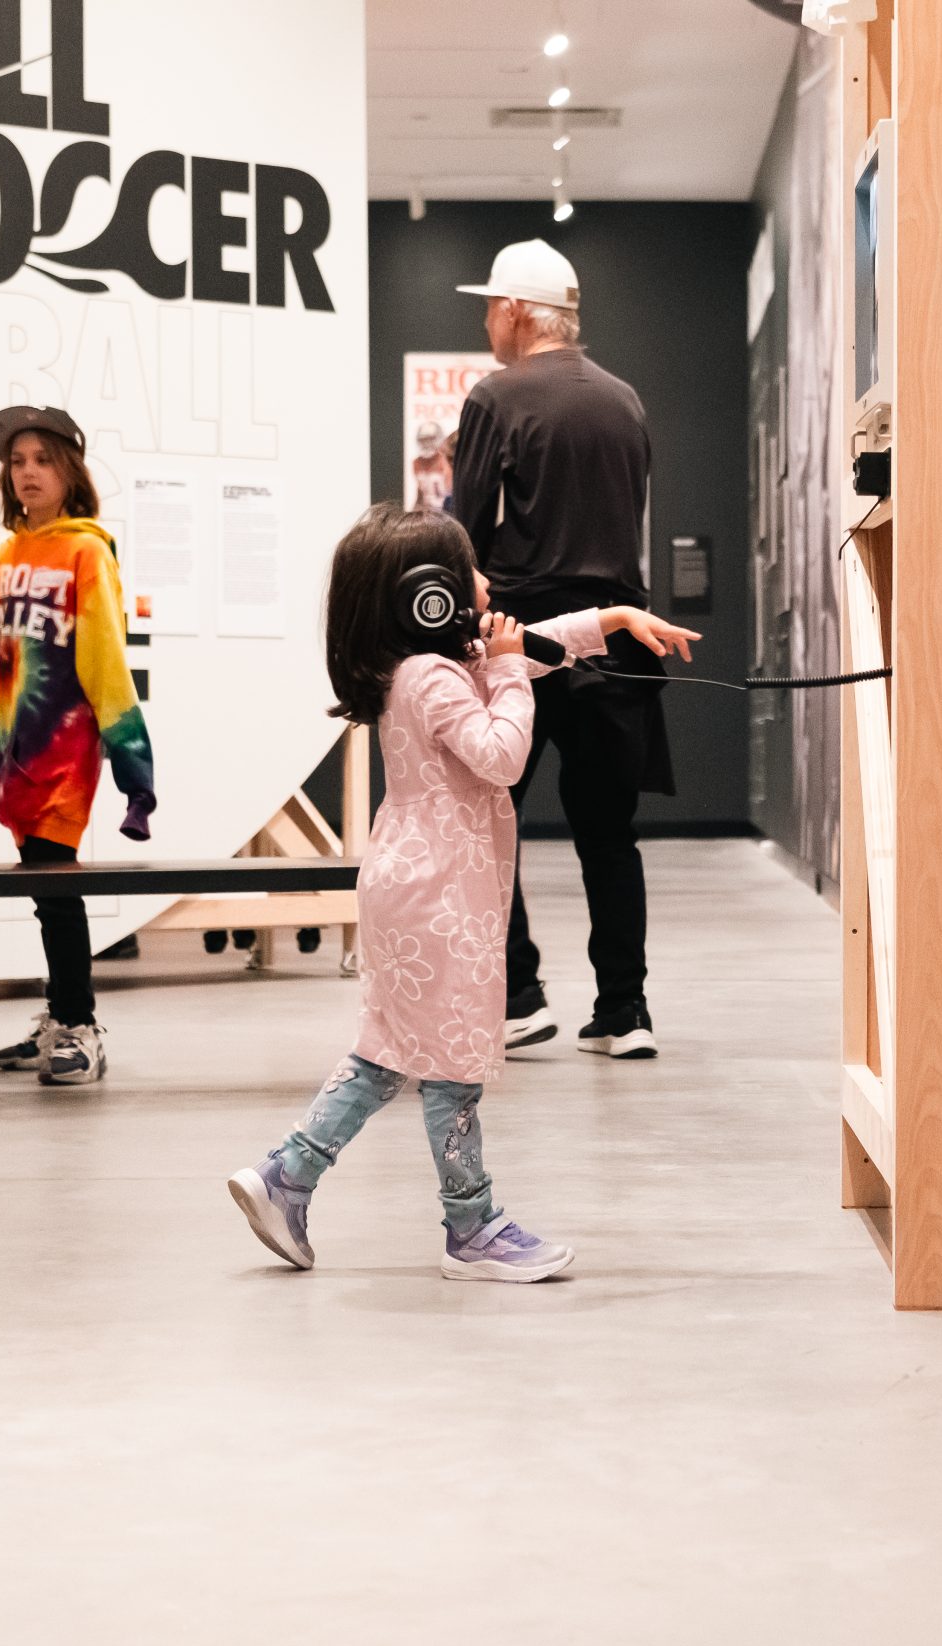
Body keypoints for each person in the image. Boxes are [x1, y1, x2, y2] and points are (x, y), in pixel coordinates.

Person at [225, 505, 695, 1282]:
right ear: (428, 594)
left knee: (392, 1051)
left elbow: (537, 648)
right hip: (441, 894)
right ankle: (470, 1226)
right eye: (470, 570)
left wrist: (609, 619)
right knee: (452, 1062)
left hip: (419, 885)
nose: (487, 581)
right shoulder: (438, 677)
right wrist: (508, 668)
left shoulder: (424, 668)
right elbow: (503, 754)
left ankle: (287, 1176)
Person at [451, 238, 670, 1060]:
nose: (486, 323)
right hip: (620, 641)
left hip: (524, 640)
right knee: (610, 832)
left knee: (486, 817)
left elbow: (463, 537)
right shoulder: (626, 399)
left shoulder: (496, 397)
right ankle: (625, 1010)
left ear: (513, 311)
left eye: (488, 307)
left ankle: (518, 993)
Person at [0, 407, 155, 1087]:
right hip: (12, 760)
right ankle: (60, 1011)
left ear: (69, 471)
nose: (27, 472)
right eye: (17, 461)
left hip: (64, 758)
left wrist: (132, 767)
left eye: (41, 460)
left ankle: (80, 1024)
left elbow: (106, 664)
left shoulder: (88, 551)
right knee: (42, 887)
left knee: (55, 884)